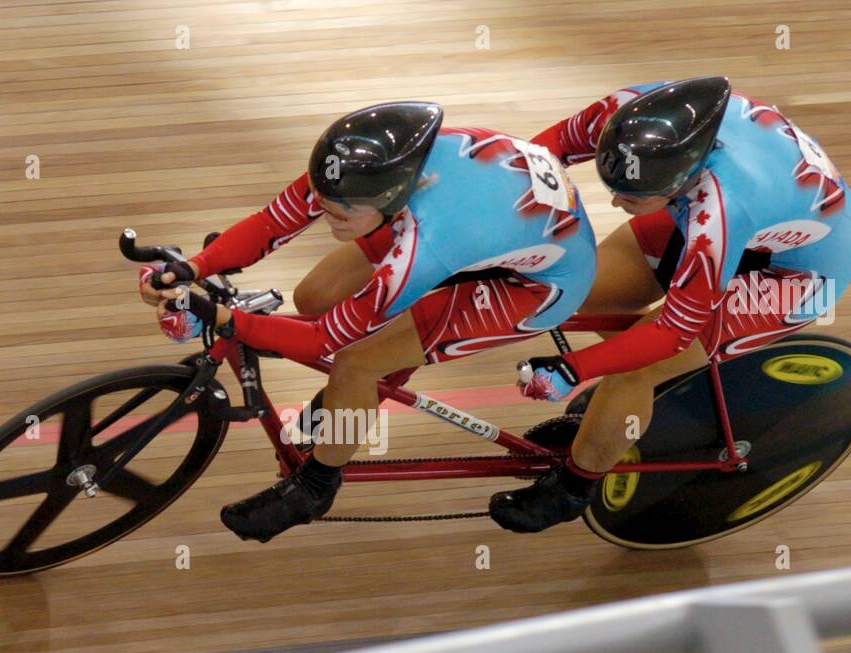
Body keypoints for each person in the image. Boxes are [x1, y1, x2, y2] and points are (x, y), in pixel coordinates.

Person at [140, 101, 598, 542]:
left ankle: (315, 486)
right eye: (325, 205)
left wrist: (224, 319)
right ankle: (357, 394)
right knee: (314, 295)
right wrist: (193, 268)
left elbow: (322, 341)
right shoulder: (367, 165)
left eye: (341, 213)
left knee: (356, 363)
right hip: (489, 222)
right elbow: (270, 224)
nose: (326, 218)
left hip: (537, 285)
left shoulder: (431, 242)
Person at [488, 76, 851, 532]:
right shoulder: (634, 113)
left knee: (637, 367)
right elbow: (536, 160)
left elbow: (671, 332)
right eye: (612, 186)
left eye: (629, 197)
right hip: (746, 214)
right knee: (574, 289)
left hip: (795, 274)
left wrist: (573, 369)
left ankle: (570, 490)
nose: (614, 200)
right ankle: (661, 401)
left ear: (683, 180)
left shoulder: (720, 211)